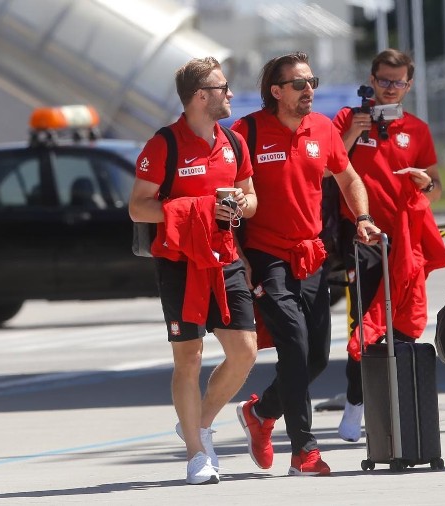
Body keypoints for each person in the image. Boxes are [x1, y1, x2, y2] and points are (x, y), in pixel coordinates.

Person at [230, 52, 379, 476]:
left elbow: (348, 177)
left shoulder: (323, 129)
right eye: (298, 84)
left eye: (311, 81)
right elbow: (227, 192)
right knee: (294, 345)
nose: (308, 89)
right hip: (265, 256)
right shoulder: (247, 133)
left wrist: (363, 218)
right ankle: (304, 451)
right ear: (276, 91)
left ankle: (261, 414)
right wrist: (237, 254)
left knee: (314, 358)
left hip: (311, 254)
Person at [129, 56, 258, 485]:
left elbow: (251, 198)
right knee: (189, 358)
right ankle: (196, 453)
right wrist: (193, 210)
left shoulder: (234, 142)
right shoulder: (164, 144)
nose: (231, 95)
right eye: (223, 88)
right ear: (201, 96)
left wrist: (239, 204)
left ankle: (197, 422)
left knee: (244, 350)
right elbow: (137, 206)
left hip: (224, 257)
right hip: (180, 263)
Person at [331, 48, 445, 443]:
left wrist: (425, 184)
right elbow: (327, 169)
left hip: (406, 240)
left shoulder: (417, 129)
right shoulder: (349, 119)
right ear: (372, 78)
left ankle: (393, 403)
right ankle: (355, 402)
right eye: (383, 80)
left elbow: (435, 187)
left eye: (397, 82)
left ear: (408, 85)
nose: (388, 89)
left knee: (402, 321)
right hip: (361, 235)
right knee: (363, 322)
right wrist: (353, 132)